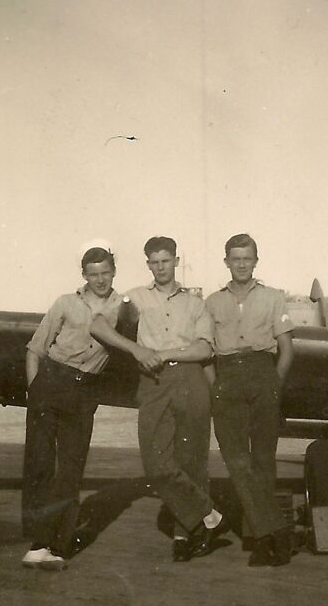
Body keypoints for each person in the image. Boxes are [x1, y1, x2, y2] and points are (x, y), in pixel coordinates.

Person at [91, 236, 228, 562]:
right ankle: (210, 515)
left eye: (166, 260)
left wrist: (163, 353)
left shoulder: (196, 303)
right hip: (152, 383)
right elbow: (98, 325)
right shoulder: (132, 299)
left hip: (190, 379)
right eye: (154, 262)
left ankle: (186, 535)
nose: (160, 267)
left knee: (192, 460)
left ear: (176, 261)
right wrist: (137, 349)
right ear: (148, 264)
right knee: (156, 464)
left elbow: (204, 348)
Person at [22, 241, 122, 570]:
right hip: (49, 382)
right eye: (93, 274)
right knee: (39, 462)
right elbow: (36, 349)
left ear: (113, 272)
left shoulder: (124, 306)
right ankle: (38, 541)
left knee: (71, 467)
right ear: (84, 275)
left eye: (105, 273)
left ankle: (56, 544)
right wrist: (35, 390)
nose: (100, 280)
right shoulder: (65, 303)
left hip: (83, 390)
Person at [206, 234, 295, 567]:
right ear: (226, 261)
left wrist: (274, 385)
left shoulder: (273, 298)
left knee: (262, 460)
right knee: (235, 460)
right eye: (235, 258)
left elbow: (286, 350)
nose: (241, 264)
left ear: (256, 261)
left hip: (262, 373)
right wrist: (216, 389)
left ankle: (262, 539)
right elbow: (205, 351)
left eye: (247, 258)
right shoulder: (212, 303)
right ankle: (275, 531)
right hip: (226, 376)